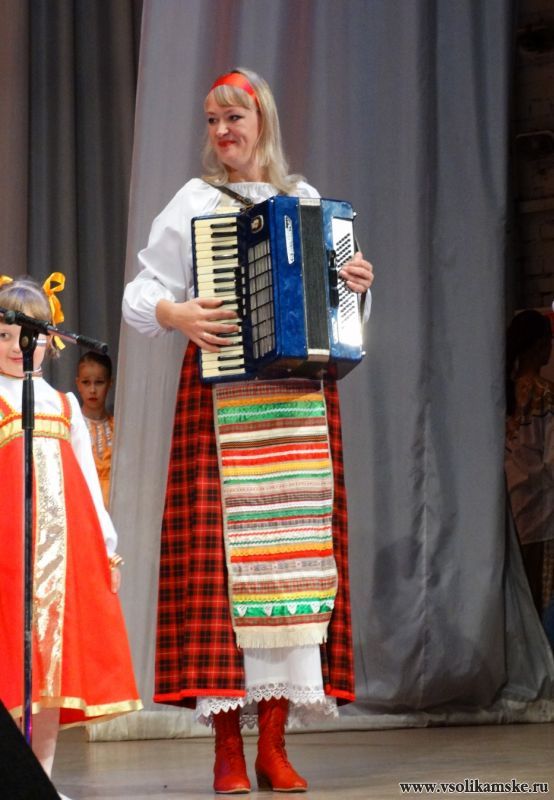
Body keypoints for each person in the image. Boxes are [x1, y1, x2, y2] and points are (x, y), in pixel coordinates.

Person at [123, 67, 374, 794]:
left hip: (297, 407)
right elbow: (142, 290)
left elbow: (337, 317)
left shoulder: (305, 201)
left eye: (234, 117)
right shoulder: (195, 202)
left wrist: (355, 286)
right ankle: (228, 749)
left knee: (291, 566)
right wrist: (173, 312)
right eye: (212, 120)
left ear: (262, 121)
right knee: (223, 570)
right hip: (224, 399)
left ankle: (274, 746)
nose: (222, 131)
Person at [0, 274, 142, 798]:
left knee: (50, 679)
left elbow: (85, 481)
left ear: (51, 341)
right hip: (8, 559)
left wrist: (108, 549)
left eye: (28, 335)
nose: (16, 346)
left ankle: (41, 779)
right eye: (3, 335)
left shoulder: (63, 405)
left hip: (61, 563)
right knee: (10, 669)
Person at [505, 308, 554, 645]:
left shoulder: (503, 394)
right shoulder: (545, 394)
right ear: (539, 347)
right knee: (543, 603)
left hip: (513, 512)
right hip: (543, 515)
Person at [75, 351, 114, 508]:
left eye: (99, 382)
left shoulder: (118, 428)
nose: (92, 390)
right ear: (78, 384)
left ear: (109, 384)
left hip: (116, 506)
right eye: (86, 382)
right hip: (83, 504)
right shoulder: (72, 426)